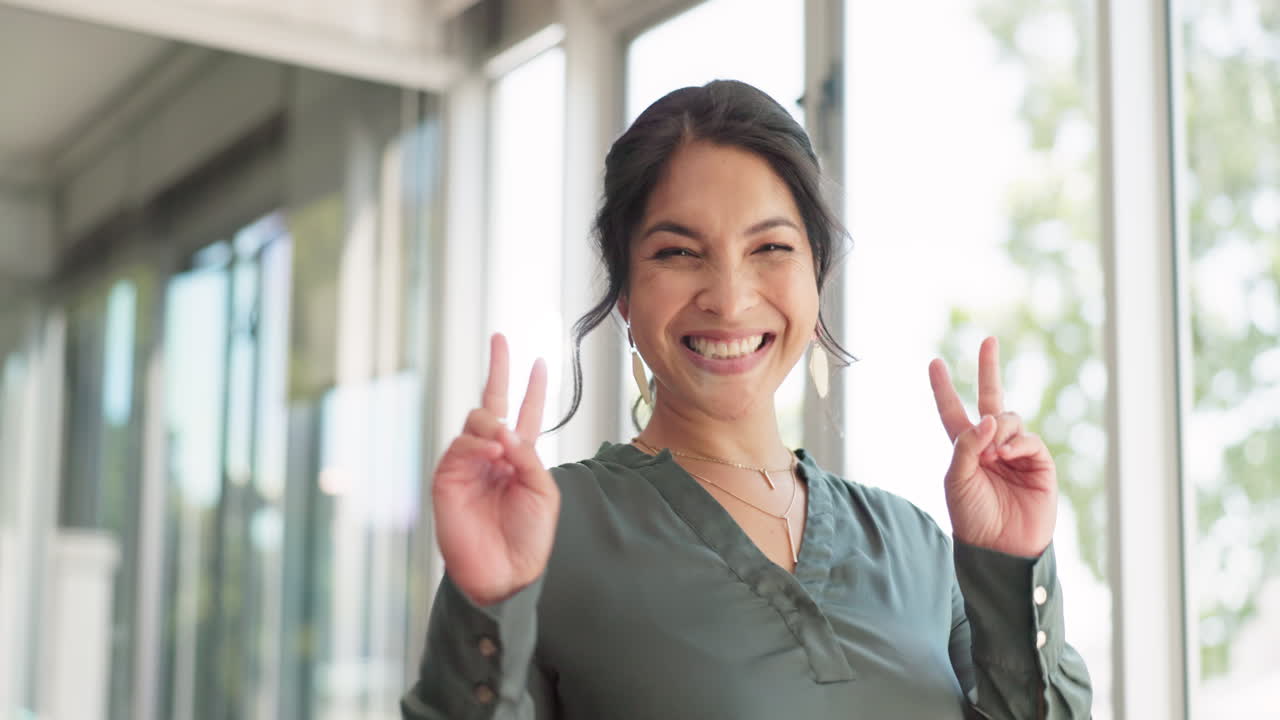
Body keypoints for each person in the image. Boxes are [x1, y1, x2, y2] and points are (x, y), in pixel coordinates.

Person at [401, 80, 1092, 719]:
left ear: (816, 276)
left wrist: (1011, 569)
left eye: (770, 247)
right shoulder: (547, 532)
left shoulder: (914, 544)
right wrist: (486, 605)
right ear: (622, 296)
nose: (729, 299)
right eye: (678, 253)